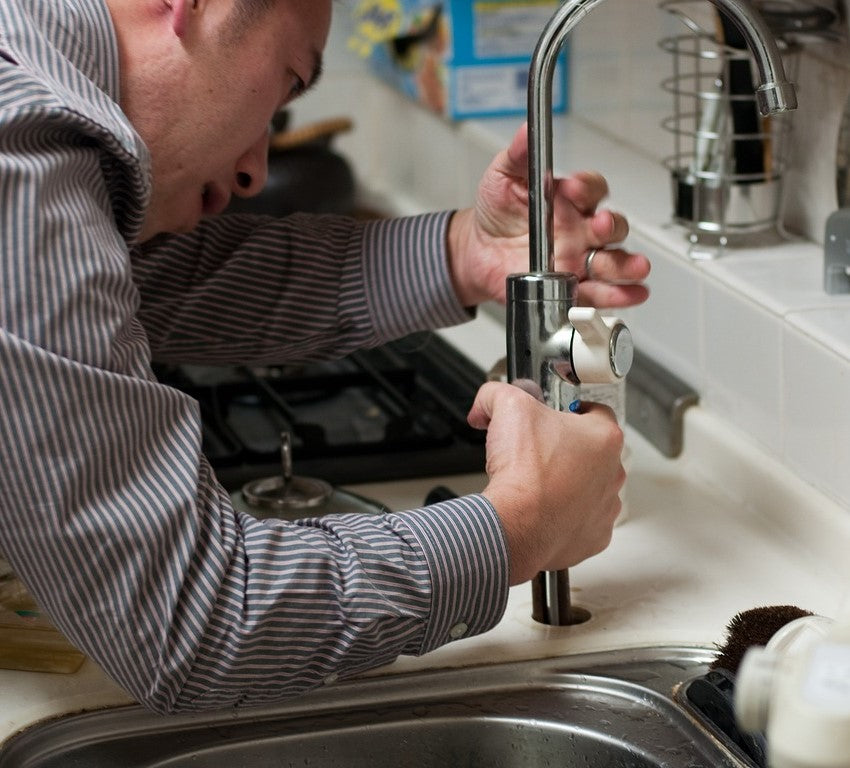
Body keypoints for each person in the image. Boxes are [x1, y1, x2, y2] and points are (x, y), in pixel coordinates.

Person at [0, 0, 651, 713]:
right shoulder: (23, 165)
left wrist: (468, 253)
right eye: (285, 86)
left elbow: (158, 285)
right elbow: (191, 623)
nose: (254, 172)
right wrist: (518, 526)